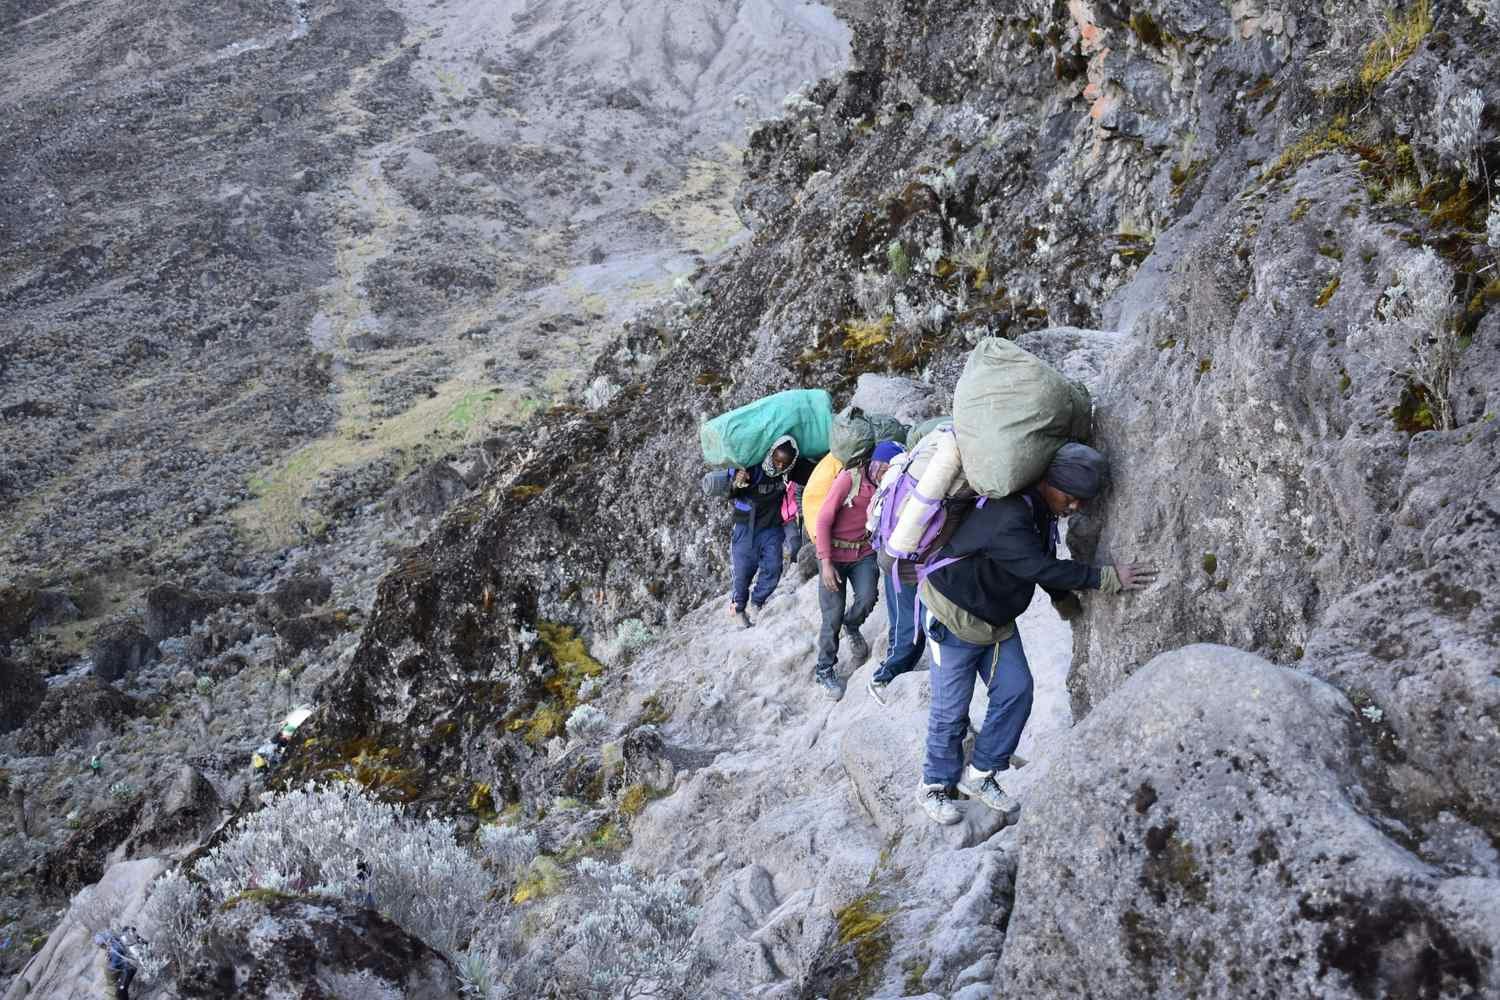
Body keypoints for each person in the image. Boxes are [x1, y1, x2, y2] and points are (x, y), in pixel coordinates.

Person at [915, 443, 1159, 825]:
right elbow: (1037, 566)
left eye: (1081, 501)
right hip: (952, 618)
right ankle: (933, 785)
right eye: (1071, 498)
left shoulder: (1039, 511)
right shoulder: (1010, 515)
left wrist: (1062, 599)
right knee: (950, 711)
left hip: (996, 623)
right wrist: (1107, 578)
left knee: (1016, 691)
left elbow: (1039, 558)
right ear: (1048, 482)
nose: (1075, 507)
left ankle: (981, 773)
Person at [810, 441, 900, 698]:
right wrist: (826, 562)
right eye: (882, 470)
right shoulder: (849, 479)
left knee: (868, 597)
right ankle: (824, 669)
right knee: (832, 613)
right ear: (874, 464)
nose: (884, 475)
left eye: (888, 471)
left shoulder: (890, 486)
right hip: (834, 553)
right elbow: (824, 518)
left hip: (863, 552)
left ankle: (853, 624)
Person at [705, 436, 816, 628]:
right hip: (745, 526)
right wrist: (737, 483)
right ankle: (739, 607)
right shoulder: (752, 468)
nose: (780, 466)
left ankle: (757, 602)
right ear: (770, 453)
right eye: (777, 460)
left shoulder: (791, 470)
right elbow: (730, 493)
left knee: (773, 568)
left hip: (772, 526)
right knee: (743, 572)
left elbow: (815, 474)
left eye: (785, 463)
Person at [93, 930, 136, 1000]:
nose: (102, 947)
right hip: (115, 989)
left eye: (102, 945)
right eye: (102, 946)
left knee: (118, 991)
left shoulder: (111, 952)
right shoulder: (111, 953)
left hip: (114, 988)